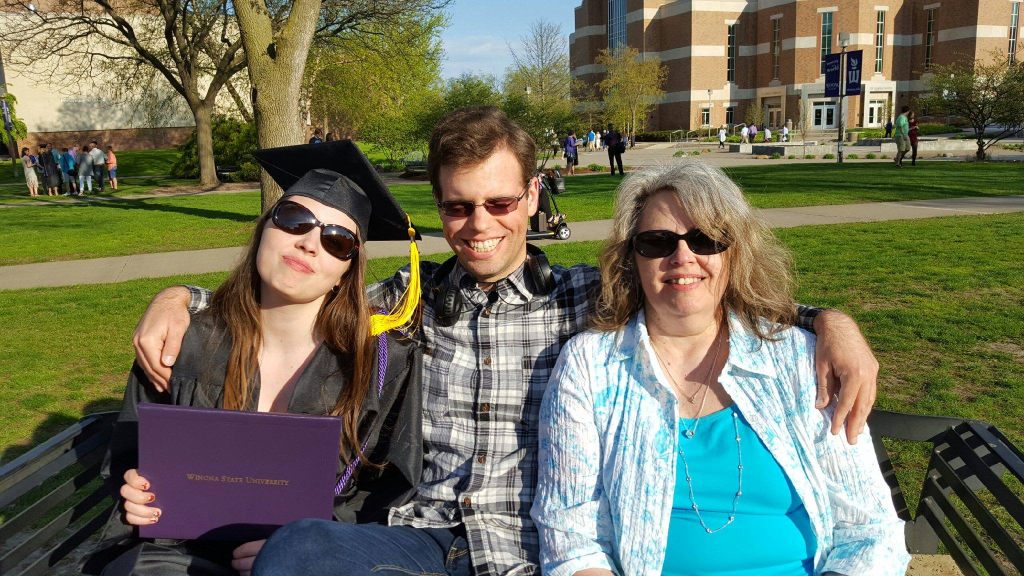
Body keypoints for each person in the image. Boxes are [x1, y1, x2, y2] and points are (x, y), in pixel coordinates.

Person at [131, 106, 880, 576]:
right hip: (423, 541)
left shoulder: (588, 298)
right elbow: (303, 289)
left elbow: (702, 290)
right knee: (298, 550)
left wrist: (830, 323)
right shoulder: (405, 305)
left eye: (499, 201)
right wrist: (183, 299)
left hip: (533, 550)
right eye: (459, 207)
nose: (479, 225)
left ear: (532, 196)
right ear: (439, 207)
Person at [533, 163, 911, 576]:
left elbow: (869, 528)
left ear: (735, 252)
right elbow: (572, 535)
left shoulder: (799, 360)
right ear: (632, 259)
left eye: (706, 239)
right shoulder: (591, 366)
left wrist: (834, 322)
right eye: (657, 242)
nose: (682, 257)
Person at [85, 139, 425, 576]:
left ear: (346, 273)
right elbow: (133, 456)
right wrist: (135, 490)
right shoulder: (183, 342)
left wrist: (302, 548)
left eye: (338, 241)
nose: (310, 244)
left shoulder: (380, 364)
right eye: (295, 219)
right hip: (177, 557)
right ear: (264, 228)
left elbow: (389, 492)